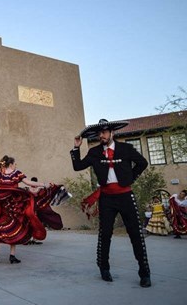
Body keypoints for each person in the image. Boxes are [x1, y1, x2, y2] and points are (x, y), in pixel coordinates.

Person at [71, 119, 151, 287]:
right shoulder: (94, 152)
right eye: (100, 133)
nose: (102, 135)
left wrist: (130, 178)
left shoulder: (126, 149)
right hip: (106, 198)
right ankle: (104, 268)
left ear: (112, 133)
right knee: (105, 234)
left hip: (125, 196)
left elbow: (142, 163)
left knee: (136, 234)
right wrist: (76, 148)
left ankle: (144, 272)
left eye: (105, 132)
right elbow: (78, 166)